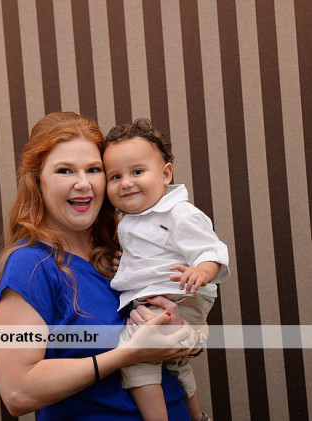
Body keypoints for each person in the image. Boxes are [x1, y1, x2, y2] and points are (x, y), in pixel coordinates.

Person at [0, 111, 198, 420]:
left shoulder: (122, 246)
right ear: (37, 181)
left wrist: (186, 335)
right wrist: (128, 354)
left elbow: (199, 332)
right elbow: (18, 392)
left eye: (94, 169)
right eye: (65, 171)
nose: (83, 183)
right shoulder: (29, 265)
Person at [103, 118, 230, 421]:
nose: (126, 182)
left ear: (165, 174)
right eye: (115, 176)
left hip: (179, 294)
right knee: (174, 363)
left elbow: (212, 250)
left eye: (137, 171)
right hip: (163, 296)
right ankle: (197, 416)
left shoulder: (179, 213)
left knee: (134, 356)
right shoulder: (129, 220)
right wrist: (124, 263)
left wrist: (202, 271)